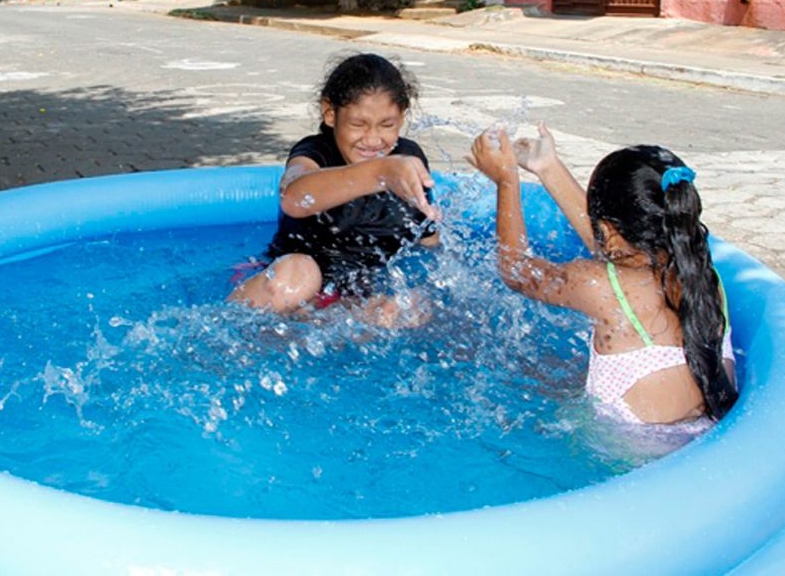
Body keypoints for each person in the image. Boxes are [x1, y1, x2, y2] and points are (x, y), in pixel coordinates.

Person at [469, 122, 737, 424]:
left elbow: (515, 269)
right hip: (705, 436)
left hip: (632, 458)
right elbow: (620, 248)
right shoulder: (702, 274)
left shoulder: (598, 285)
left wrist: (506, 181)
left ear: (608, 231)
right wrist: (548, 168)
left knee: (520, 376)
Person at [229, 53, 440, 323]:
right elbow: (294, 197)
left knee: (410, 308)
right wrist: (379, 172)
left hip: (349, 300)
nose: (373, 139)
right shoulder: (316, 153)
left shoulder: (407, 159)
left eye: (388, 125)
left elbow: (428, 238)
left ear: (402, 117)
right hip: (282, 288)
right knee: (298, 276)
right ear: (330, 113)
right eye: (358, 124)